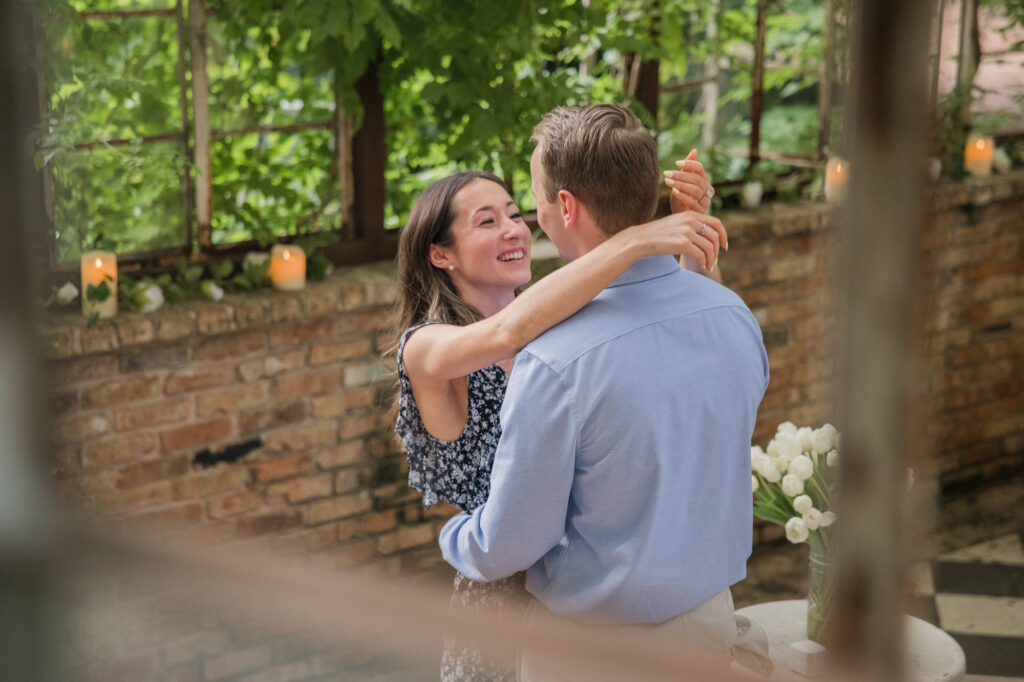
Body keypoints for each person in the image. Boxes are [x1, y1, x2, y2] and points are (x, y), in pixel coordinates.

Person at [437, 103, 771, 679]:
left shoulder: (554, 360)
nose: (532, 216)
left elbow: (512, 543)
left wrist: (457, 538)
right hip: (713, 627)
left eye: (536, 199)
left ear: (565, 206)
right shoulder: (732, 314)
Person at [392, 160, 724, 681]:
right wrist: (639, 237)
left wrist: (689, 227)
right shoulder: (427, 347)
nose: (513, 230)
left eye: (515, 213)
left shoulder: (557, 314)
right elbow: (506, 333)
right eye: (486, 222)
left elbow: (674, 329)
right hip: (504, 594)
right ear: (439, 253)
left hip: (586, 584)